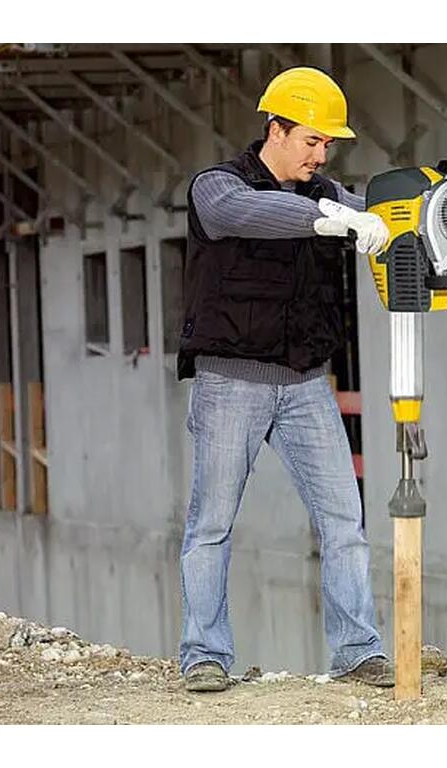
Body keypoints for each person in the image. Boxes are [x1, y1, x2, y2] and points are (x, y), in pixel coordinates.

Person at [176, 66, 392, 693]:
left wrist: (414, 215)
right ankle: (204, 655)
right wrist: (328, 220)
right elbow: (249, 213)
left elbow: (375, 212)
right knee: (211, 524)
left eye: (329, 145)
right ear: (275, 128)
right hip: (230, 384)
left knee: (343, 518)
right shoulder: (217, 187)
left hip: (303, 384)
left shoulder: (321, 190)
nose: (321, 155)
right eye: (311, 141)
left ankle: (358, 651)